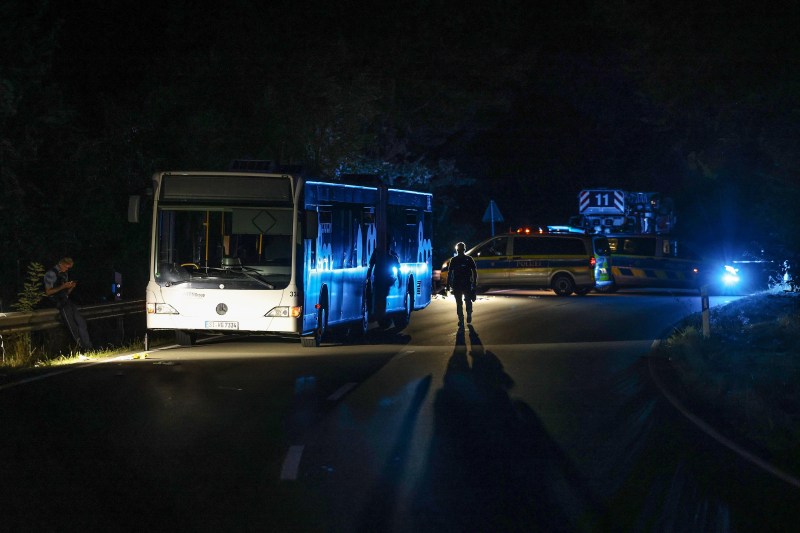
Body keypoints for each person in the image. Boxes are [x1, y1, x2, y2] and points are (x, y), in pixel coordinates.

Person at [43, 257, 93, 351]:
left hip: (66, 300)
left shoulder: (65, 273)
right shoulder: (51, 274)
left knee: (81, 322)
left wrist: (70, 287)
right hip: (58, 302)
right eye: (66, 267)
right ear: (61, 264)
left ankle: (88, 346)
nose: (67, 269)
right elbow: (48, 292)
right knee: (72, 326)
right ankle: (82, 348)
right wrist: (63, 286)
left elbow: (65, 292)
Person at [445, 242, 478, 328]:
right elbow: (474, 272)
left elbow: (449, 273)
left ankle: (461, 319)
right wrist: (474, 283)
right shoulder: (469, 259)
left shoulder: (454, 260)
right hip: (466, 283)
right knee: (467, 300)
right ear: (464, 249)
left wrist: (448, 284)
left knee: (459, 302)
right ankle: (468, 314)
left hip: (457, 284)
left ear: (457, 250)